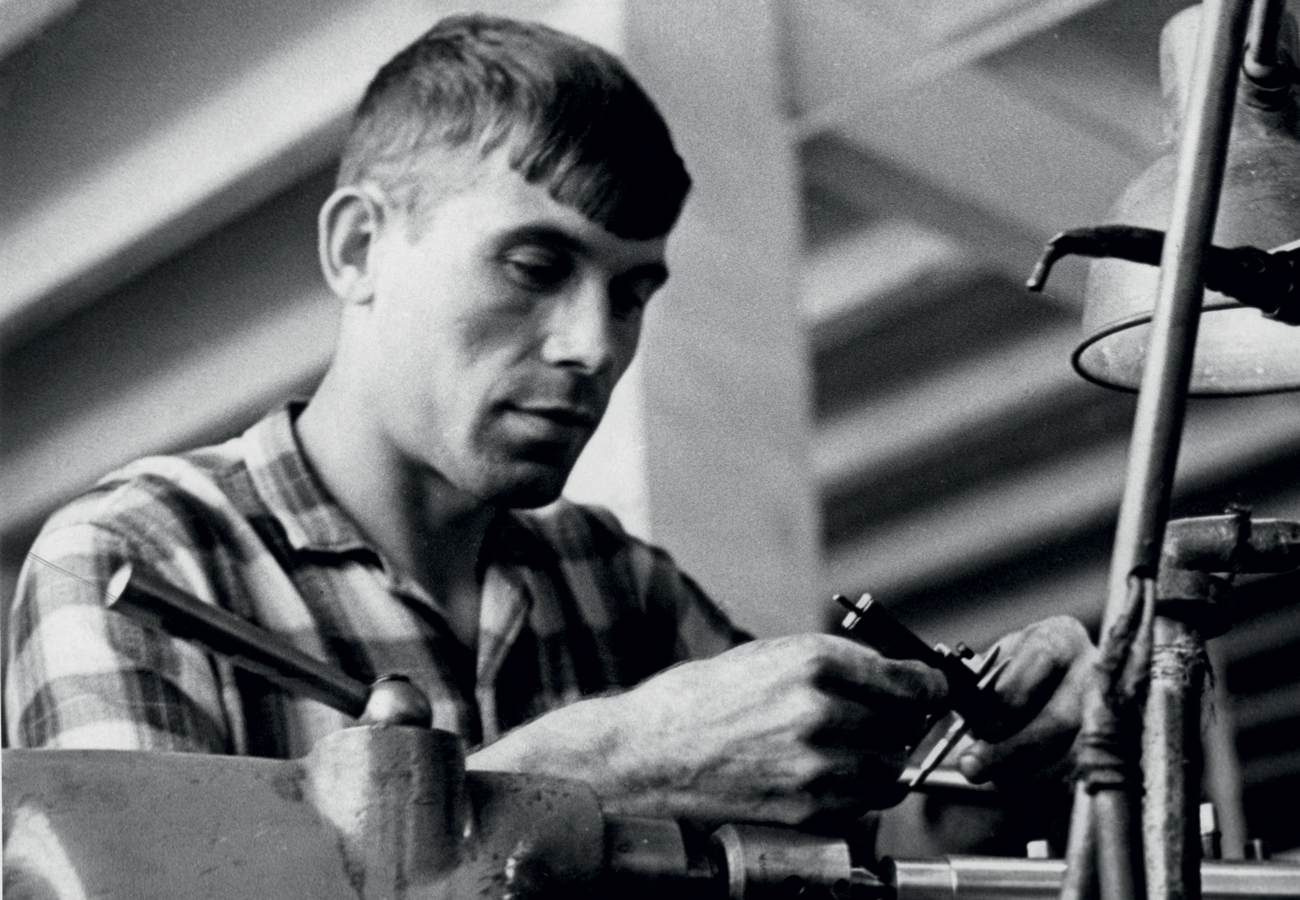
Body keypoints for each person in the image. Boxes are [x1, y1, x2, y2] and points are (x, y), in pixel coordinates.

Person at [4, 13, 1094, 829]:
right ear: (356, 249)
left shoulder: (623, 588)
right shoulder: (138, 558)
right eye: (536, 265)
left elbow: (874, 845)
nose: (593, 344)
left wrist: (989, 749)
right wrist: (608, 765)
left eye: (630, 291)